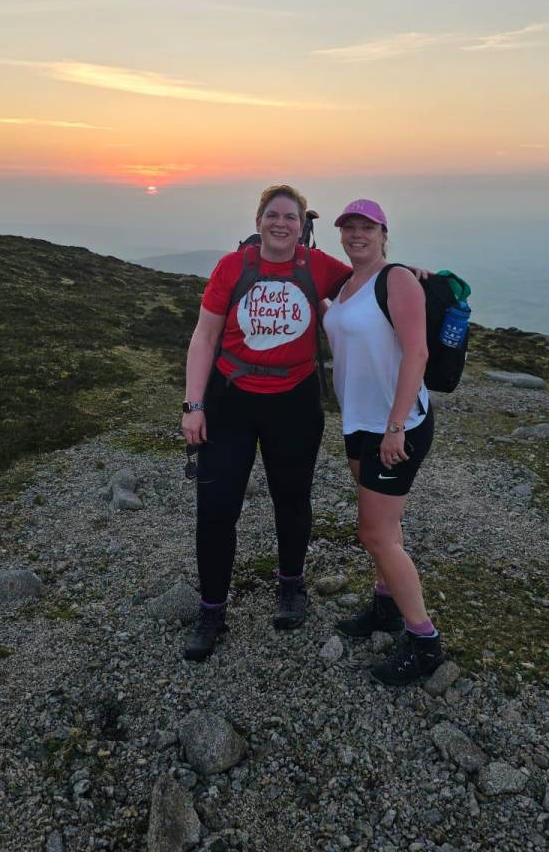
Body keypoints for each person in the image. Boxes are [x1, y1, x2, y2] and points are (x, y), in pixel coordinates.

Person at [180, 184, 352, 660]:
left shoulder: (318, 267)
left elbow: (367, 280)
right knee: (216, 508)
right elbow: (204, 336)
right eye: (272, 215)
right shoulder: (232, 268)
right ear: (258, 222)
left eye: (290, 217)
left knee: (292, 499)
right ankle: (211, 610)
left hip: (295, 401)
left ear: (302, 226)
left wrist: (407, 275)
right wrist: (194, 405)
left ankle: (291, 586)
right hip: (230, 400)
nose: (281, 223)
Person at [322, 198, 444, 686]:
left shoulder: (397, 279)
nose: (356, 235)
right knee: (385, 527)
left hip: (397, 426)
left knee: (374, 533)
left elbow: (418, 353)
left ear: (383, 234)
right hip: (359, 422)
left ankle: (425, 642)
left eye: (366, 227)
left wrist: (396, 427)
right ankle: (385, 607)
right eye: (349, 227)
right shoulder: (346, 286)